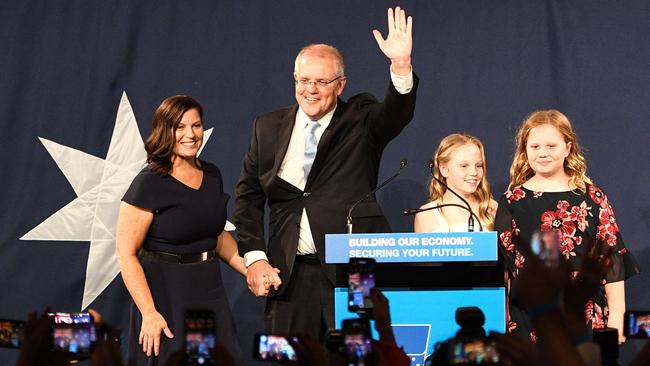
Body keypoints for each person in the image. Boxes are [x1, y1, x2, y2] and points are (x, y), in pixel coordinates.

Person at [233, 6, 418, 342]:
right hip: (286, 277)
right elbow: (247, 199)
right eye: (304, 80)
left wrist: (400, 66)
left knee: (360, 359)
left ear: (341, 84)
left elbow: (395, 113)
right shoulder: (268, 127)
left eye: (321, 81)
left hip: (354, 273)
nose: (311, 90)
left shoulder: (361, 118)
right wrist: (255, 258)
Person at [116, 95, 247, 365]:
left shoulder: (212, 175)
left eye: (196, 125)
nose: (191, 134)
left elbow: (216, 235)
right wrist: (149, 312)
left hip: (209, 292)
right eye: (180, 127)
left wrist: (253, 269)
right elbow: (125, 253)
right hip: (165, 297)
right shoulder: (149, 183)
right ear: (166, 131)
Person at [495, 109, 640, 344]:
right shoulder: (513, 201)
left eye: (551, 146)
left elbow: (611, 259)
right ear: (525, 150)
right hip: (530, 318)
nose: (542, 153)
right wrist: (500, 321)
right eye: (535, 147)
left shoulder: (593, 198)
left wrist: (617, 318)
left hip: (586, 315)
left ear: (568, 147)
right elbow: (505, 269)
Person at [414, 133, 497, 232]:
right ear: (444, 170)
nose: (474, 172)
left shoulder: (491, 209)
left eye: (478, 166)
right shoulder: (426, 214)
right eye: (464, 166)